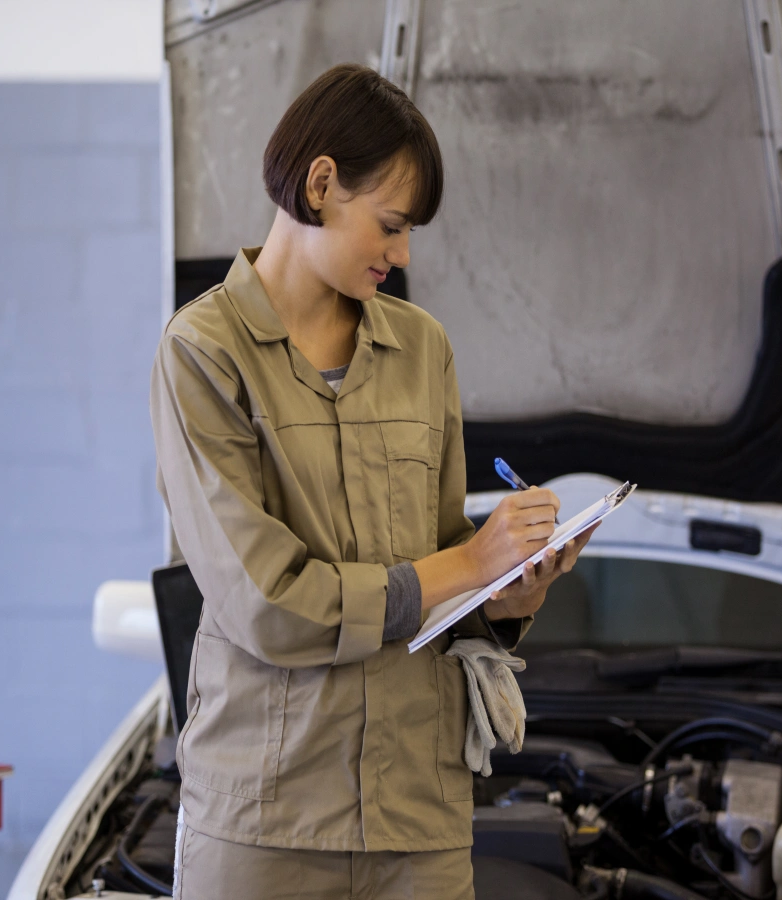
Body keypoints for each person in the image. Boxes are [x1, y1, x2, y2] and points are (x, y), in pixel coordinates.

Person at [150, 62, 595, 900]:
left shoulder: (423, 351)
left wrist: (506, 588)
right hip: (264, 828)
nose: (402, 252)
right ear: (321, 184)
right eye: (391, 225)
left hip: (416, 827)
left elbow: (438, 571)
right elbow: (267, 604)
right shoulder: (203, 355)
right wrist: (467, 566)